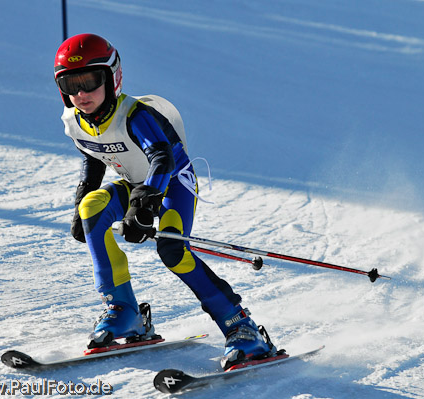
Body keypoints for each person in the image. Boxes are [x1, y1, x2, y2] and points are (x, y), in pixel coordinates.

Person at [54, 33, 279, 370]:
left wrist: (143, 207)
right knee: (92, 210)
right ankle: (124, 312)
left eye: (90, 81)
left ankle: (240, 325)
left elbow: (162, 159)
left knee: (172, 250)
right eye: (71, 84)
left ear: (112, 78)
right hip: (138, 183)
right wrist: (80, 203)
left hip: (174, 183)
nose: (81, 94)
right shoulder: (75, 121)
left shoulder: (135, 115)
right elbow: (94, 157)